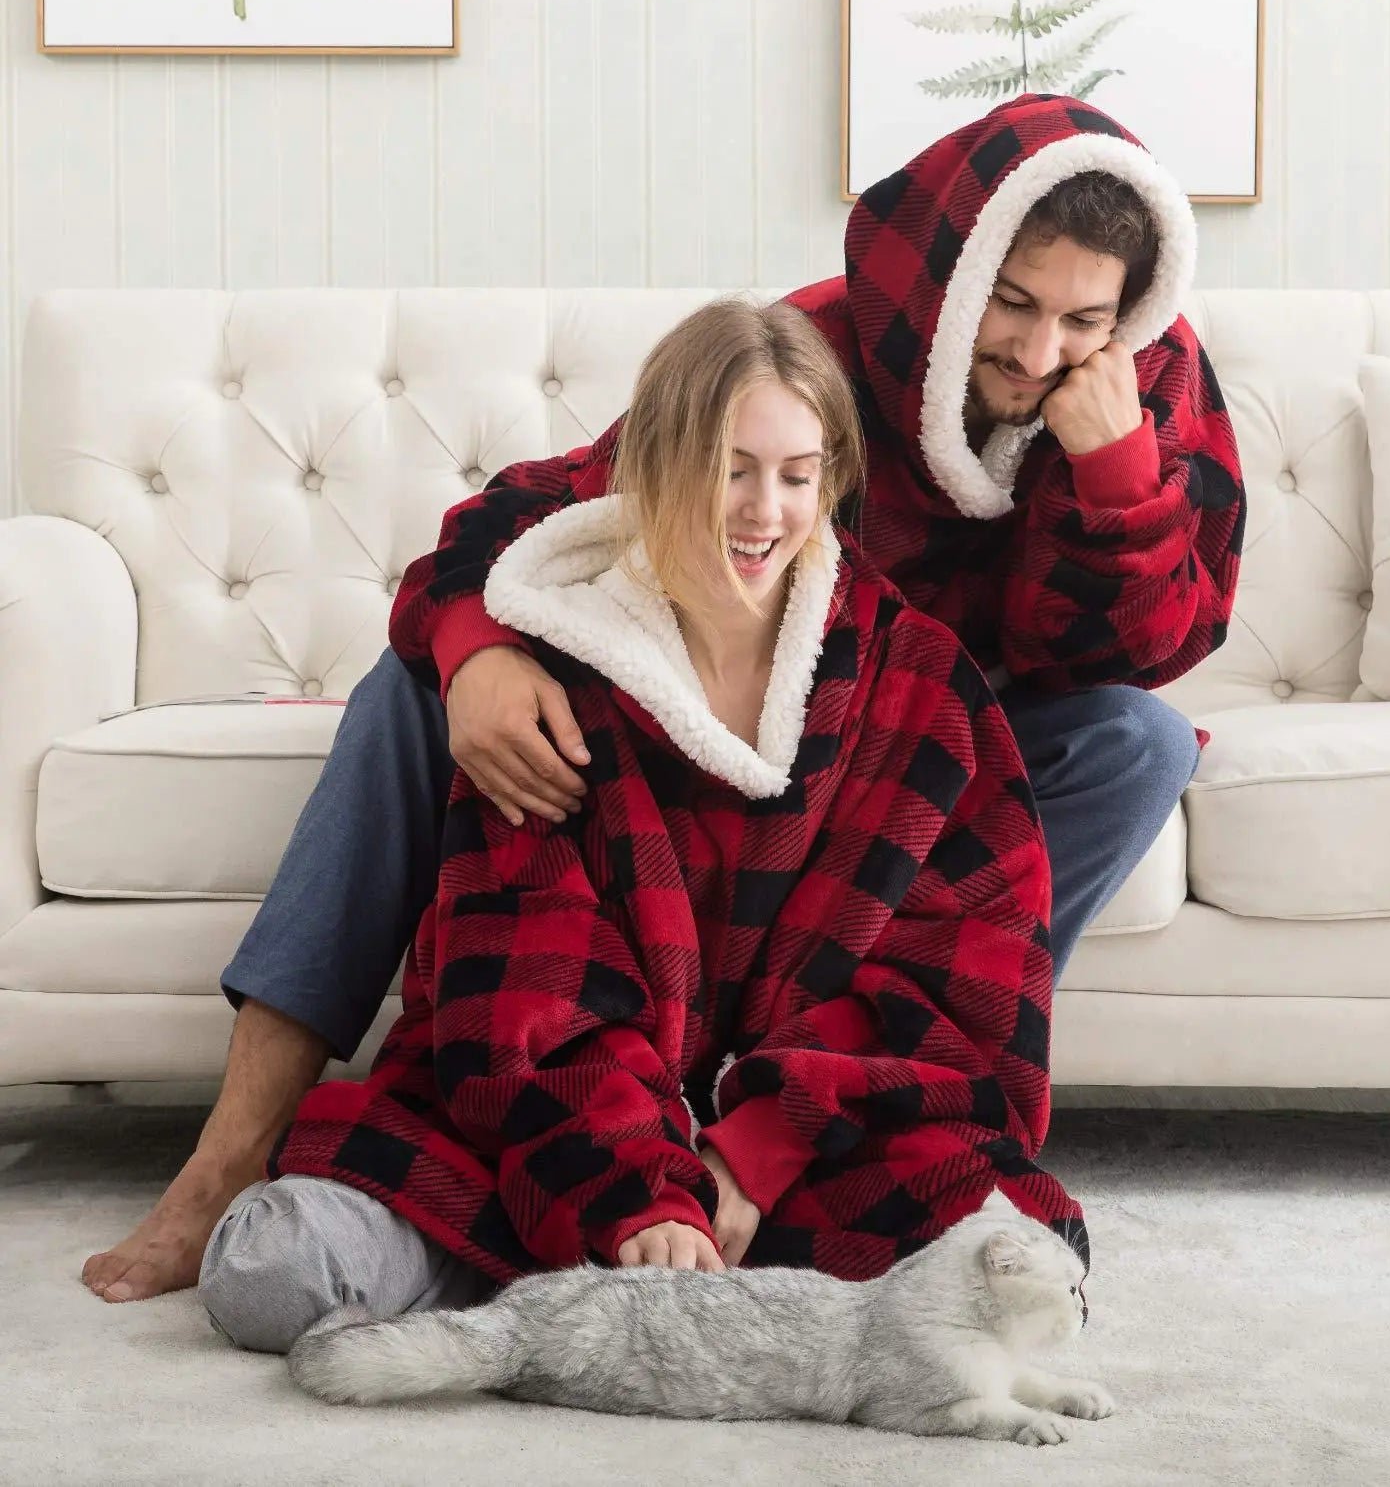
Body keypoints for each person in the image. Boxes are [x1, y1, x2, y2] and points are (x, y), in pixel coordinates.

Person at [82, 92, 1243, 1304]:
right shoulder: (801, 358)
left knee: (1141, 743)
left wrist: (1118, 475)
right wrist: (477, 650)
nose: (1039, 348)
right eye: (1011, 302)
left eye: (1080, 320)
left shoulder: (1145, 396)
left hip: (925, 745)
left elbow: (1144, 652)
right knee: (409, 688)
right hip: (724, 703)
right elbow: (556, 515)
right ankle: (230, 1155)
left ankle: (862, 1096)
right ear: (955, 272)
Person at [192, 297, 1081, 1353]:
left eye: (798, 475)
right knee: (275, 1273)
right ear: (657, 463)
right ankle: (643, 1268)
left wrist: (753, 1144)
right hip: (571, 1122)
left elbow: (957, 979)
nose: (764, 510)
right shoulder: (560, 674)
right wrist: (637, 1186)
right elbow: (524, 977)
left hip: (812, 1135)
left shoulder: (919, 681)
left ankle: (586, 1290)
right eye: (731, 468)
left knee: (1024, 1253)